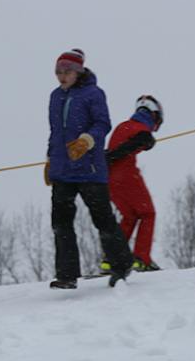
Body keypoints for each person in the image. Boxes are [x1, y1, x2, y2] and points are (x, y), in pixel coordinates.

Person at [45, 48, 135, 290]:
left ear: (78, 72)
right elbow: (55, 132)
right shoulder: (55, 96)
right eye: (58, 72)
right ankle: (67, 274)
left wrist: (87, 140)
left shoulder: (93, 94)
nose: (61, 76)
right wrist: (50, 158)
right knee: (60, 222)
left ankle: (121, 264)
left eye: (66, 72)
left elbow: (103, 123)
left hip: (89, 168)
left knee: (102, 219)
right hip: (63, 170)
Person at [106, 95, 164, 271]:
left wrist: (108, 156)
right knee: (148, 213)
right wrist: (148, 141)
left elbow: (116, 148)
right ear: (153, 115)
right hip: (126, 176)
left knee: (130, 216)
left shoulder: (122, 126)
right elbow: (142, 139)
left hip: (109, 179)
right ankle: (141, 259)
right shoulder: (139, 128)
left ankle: (111, 259)